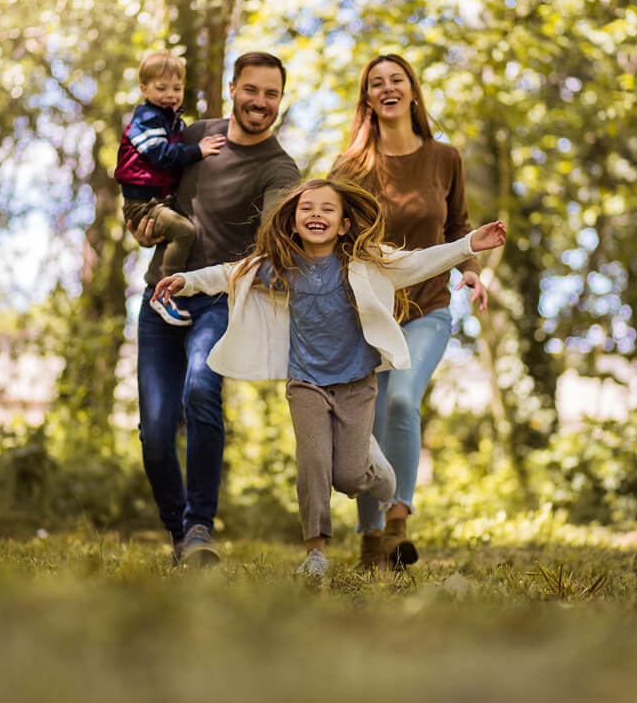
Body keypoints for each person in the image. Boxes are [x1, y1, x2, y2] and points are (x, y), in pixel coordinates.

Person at [153, 178, 507, 578]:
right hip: (306, 382)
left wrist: (469, 244)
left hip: (357, 384)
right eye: (306, 208)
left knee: (349, 477)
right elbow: (231, 273)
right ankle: (315, 553)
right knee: (314, 463)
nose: (316, 214)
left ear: (343, 225)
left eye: (327, 209)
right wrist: (187, 281)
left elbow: (417, 262)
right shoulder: (279, 267)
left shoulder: (364, 264)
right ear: (291, 222)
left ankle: (378, 470)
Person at [131, 51, 300, 568]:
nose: (261, 103)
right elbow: (141, 184)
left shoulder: (280, 168)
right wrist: (140, 225)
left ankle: (200, 525)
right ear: (232, 89)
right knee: (156, 431)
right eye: (252, 90)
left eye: (271, 94)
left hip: (221, 300)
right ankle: (177, 530)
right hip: (162, 294)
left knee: (202, 390)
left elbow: (274, 234)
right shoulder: (192, 136)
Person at [331, 52, 489, 570]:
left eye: (396, 79)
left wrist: (471, 271)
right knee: (369, 424)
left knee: (401, 402)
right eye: (376, 83)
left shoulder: (446, 158)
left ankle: (397, 520)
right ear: (368, 99)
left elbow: (458, 227)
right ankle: (370, 538)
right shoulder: (351, 165)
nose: (387, 87)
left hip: (429, 308)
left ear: (412, 92)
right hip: (368, 315)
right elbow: (331, 235)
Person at [115, 51, 227, 325]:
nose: (170, 94)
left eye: (176, 88)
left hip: (158, 201)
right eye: (161, 88)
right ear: (144, 89)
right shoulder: (147, 119)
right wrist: (197, 150)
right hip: (143, 204)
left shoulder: (170, 120)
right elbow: (161, 155)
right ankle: (165, 293)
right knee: (184, 232)